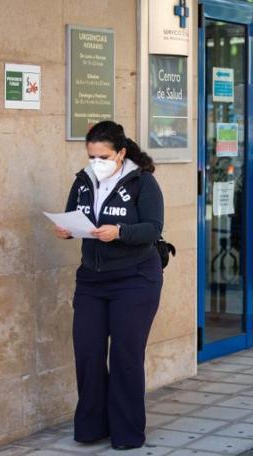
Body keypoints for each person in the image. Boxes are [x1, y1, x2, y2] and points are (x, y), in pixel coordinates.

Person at [53, 121, 164, 450]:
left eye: (103, 156)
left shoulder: (142, 182)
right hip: (91, 278)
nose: (96, 161)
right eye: (91, 155)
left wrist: (120, 232)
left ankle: (127, 433)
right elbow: (76, 214)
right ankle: (91, 428)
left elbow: (153, 229)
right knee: (87, 353)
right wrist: (67, 228)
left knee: (125, 357)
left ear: (121, 153)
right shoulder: (84, 181)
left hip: (135, 278)